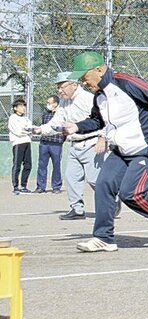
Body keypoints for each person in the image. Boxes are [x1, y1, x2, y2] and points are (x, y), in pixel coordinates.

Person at [62, 50, 148, 252]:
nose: (83, 83)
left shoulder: (125, 82)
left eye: (84, 77)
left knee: (131, 194)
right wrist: (76, 127)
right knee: (103, 185)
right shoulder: (99, 97)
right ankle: (104, 238)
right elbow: (97, 121)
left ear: (99, 70)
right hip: (121, 150)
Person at [35, 72, 104, 219]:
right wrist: (40, 129)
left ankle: (112, 202)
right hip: (75, 144)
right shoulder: (64, 101)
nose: (60, 90)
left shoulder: (89, 99)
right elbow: (56, 122)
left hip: (92, 143)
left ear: (74, 85)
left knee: (94, 179)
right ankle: (77, 209)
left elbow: (104, 119)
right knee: (71, 177)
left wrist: (102, 138)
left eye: (62, 86)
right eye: (58, 87)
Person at [35, 95, 64, 193]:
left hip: (56, 143)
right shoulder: (45, 114)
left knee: (56, 165)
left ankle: (56, 186)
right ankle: (40, 187)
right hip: (44, 143)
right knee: (42, 165)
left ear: (55, 104)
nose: (48, 105)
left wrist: (62, 139)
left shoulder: (62, 114)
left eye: (49, 103)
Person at [8, 98, 34, 194]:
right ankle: (15, 187)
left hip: (27, 142)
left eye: (24, 106)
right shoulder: (13, 118)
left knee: (28, 165)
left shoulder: (26, 119)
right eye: (21, 106)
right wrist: (26, 131)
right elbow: (18, 132)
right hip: (18, 143)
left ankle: (24, 186)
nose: (23, 108)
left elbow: (31, 130)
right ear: (15, 108)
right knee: (17, 165)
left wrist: (28, 131)